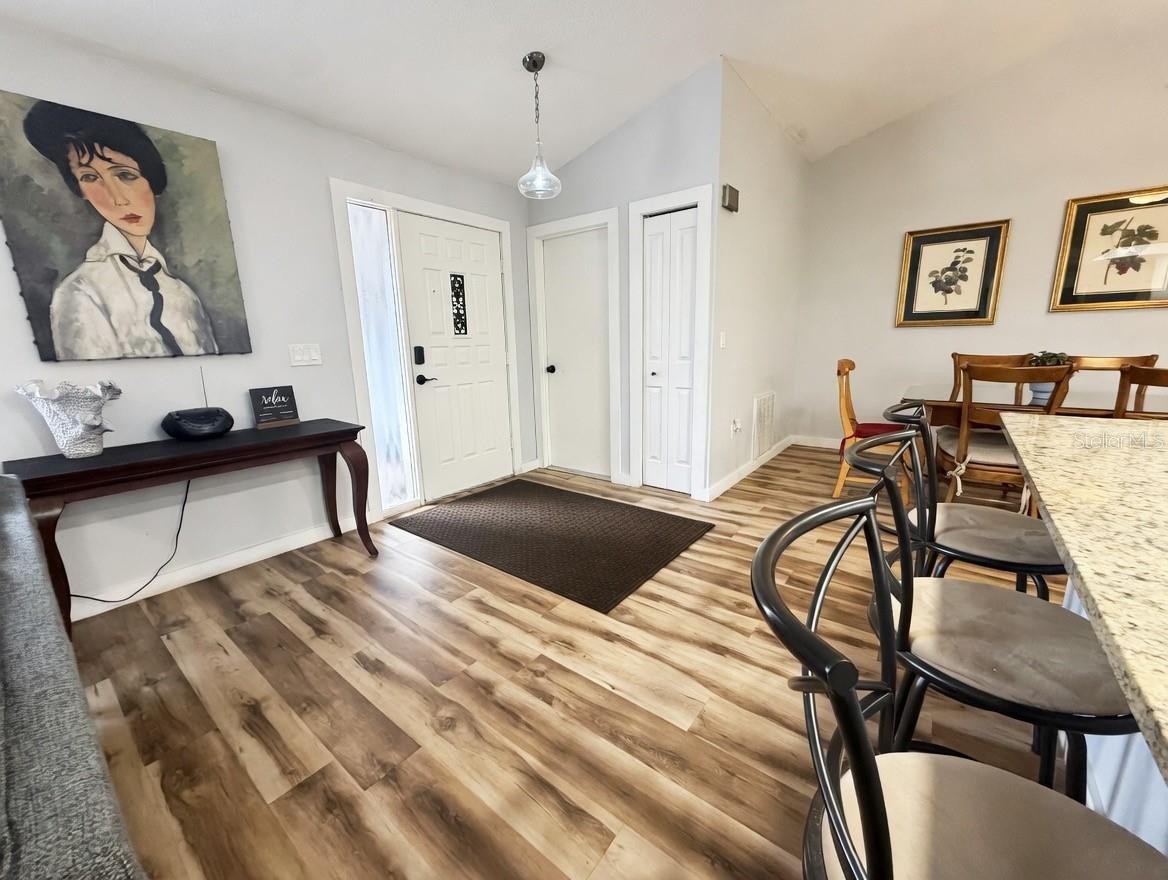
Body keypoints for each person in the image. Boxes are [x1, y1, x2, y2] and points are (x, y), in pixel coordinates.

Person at [23, 101, 218, 359]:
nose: (117, 199)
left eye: (126, 175)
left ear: (150, 178)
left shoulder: (183, 294)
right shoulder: (81, 292)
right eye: (90, 178)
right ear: (80, 189)